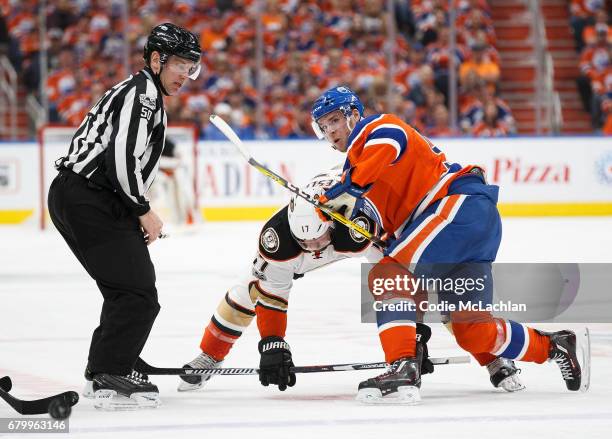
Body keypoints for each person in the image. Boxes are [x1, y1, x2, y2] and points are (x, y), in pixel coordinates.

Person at [311, 85, 588, 403]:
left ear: (354, 114)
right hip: (467, 227)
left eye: (333, 120)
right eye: (323, 127)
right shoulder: (355, 171)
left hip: (456, 208)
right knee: (472, 331)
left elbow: (373, 164)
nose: (330, 131)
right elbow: (378, 230)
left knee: (388, 275)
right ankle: (555, 346)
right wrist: (327, 232)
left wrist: (333, 196)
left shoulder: (376, 128)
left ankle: (402, 366)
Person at [177, 170, 524, 395]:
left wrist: (414, 335)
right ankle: (209, 355)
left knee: (434, 285)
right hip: (315, 247)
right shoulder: (280, 239)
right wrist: (272, 344)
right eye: (305, 243)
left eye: (317, 241)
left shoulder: (359, 220)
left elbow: (402, 279)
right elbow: (271, 293)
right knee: (245, 290)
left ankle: (492, 357)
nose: (313, 249)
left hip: (363, 238)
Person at [47, 23, 202, 410]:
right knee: (137, 293)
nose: (186, 75)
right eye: (181, 64)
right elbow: (120, 160)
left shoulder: (142, 92)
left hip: (85, 197)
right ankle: (109, 372)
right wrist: (143, 210)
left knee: (127, 289)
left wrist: (132, 208)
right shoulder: (144, 94)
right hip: (89, 198)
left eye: (192, 67)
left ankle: (119, 358)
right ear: (155, 60)